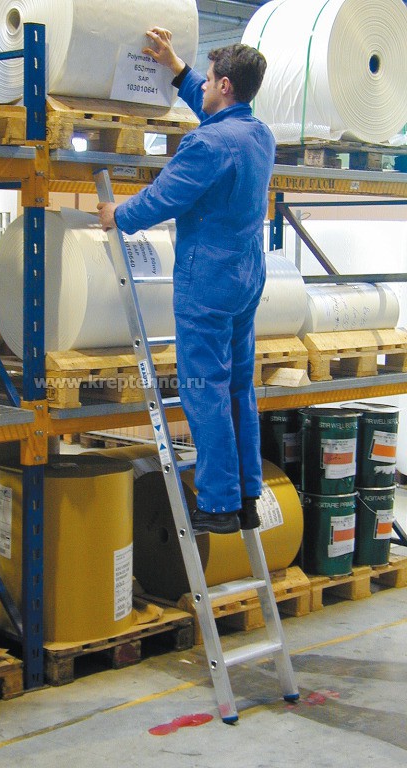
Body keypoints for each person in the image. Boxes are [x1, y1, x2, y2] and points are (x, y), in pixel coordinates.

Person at [97, 28, 275, 535]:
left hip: (207, 281)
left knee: (205, 390)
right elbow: (218, 117)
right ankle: (245, 495)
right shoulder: (258, 135)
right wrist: (178, 69)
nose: (206, 86)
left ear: (225, 85)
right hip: (246, 276)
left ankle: (216, 504)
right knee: (238, 386)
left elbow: (164, 197)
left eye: (209, 80)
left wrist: (118, 214)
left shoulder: (206, 144)